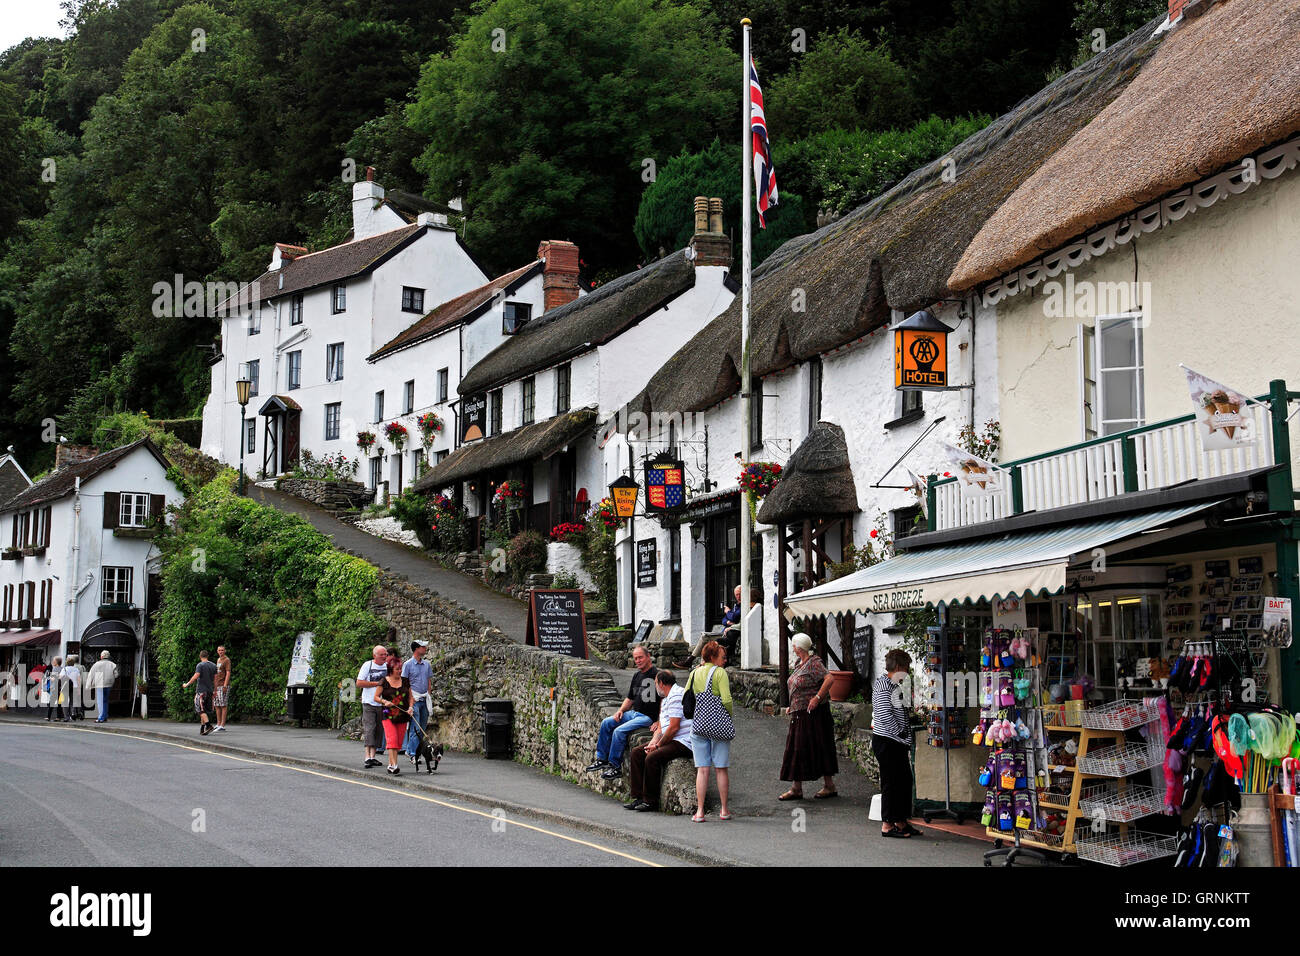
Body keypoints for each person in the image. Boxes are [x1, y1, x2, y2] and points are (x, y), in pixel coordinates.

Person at [778, 633, 839, 800]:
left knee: (819, 746)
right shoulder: (800, 663)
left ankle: (829, 785)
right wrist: (793, 703)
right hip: (800, 712)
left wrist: (817, 698)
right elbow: (797, 686)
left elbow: (829, 679)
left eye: (794, 645)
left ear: (799, 647)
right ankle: (797, 788)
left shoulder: (814, 663)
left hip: (814, 714)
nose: (793, 648)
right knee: (797, 749)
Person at [585, 645, 659, 779]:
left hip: (647, 717)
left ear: (648, 657)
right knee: (606, 722)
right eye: (635, 658)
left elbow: (665, 700)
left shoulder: (657, 675)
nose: (638, 660)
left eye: (640, 657)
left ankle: (615, 766)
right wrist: (620, 711)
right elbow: (630, 698)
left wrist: (659, 721)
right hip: (634, 713)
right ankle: (602, 759)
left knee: (619, 731)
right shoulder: (637, 675)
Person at [624, 670, 692, 812]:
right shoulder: (666, 698)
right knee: (637, 753)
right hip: (670, 739)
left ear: (661, 683)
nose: (655, 687)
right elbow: (661, 726)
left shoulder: (676, 695)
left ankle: (651, 801)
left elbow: (674, 727)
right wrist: (653, 743)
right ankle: (639, 797)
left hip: (683, 740)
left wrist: (658, 745)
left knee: (652, 758)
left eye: (655, 683)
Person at [872, 648, 919, 838]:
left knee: (903, 781)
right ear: (899, 667)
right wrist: (900, 732)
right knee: (891, 783)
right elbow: (884, 714)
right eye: (906, 667)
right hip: (888, 741)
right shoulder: (884, 685)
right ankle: (887, 824)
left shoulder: (894, 685)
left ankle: (901, 821)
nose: (907, 671)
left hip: (896, 741)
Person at [688, 640, 734, 822]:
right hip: (718, 725)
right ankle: (724, 810)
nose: (725, 660)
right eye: (722, 657)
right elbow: (727, 699)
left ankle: (700, 812)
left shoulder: (695, 673)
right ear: (713, 657)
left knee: (702, 769)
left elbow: (687, 697)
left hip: (699, 724)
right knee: (721, 768)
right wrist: (728, 717)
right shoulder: (720, 673)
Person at [374, 652, 412, 775]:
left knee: (399, 742)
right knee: (392, 739)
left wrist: (411, 707)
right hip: (387, 714)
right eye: (397, 669)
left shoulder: (406, 681)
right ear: (391, 670)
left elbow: (411, 697)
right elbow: (376, 697)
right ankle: (394, 765)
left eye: (400, 669)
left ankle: (391, 764)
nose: (400, 671)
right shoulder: (384, 681)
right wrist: (384, 701)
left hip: (402, 714)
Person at [356, 644, 390, 768]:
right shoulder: (367, 665)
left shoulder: (388, 666)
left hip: (382, 703)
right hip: (369, 702)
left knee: (379, 729)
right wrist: (377, 683)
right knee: (370, 728)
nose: (384, 657)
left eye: (385, 654)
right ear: (374, 655)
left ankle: (373, 756)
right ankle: (367, 757)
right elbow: (359, 683)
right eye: (381, 655)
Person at [401, 641, 432, 764]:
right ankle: (412, 752)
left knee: (423, 727)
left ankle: (414, 751)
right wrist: (410, 701)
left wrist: (429, 694)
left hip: (424, 699)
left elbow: (428, 680)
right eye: (423, 647)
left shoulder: (427, 664)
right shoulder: (408, 665)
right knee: (416, 728)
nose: (425, 648)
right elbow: (405, 682)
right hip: (414, 699)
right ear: (416, 649)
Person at [181, 650, 219, 735]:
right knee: (204, 710)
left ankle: (208, 725)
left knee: (199, 710)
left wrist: (187, 684)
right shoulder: (213, 665)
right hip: (210, 691)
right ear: (207, 656)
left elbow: (196, 676)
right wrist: (215, 690)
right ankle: (202, 728)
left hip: (201, 691)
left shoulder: (200, 665)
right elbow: (216, 679)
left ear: (200, 656)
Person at [87, 651, 119, 724]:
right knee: (105, 700)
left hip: (99, 682)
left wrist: (88, 685)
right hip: (109, 683)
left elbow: (91, 675)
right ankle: (104, 716)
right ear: (108, 656)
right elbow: (116, 675)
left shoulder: (96, 664)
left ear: (101, 656)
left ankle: (101, 717)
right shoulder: (113, 664)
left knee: (100, 700)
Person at [213, 645, 232, 732]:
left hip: (223, 685)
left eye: (222, 650)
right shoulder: (218, 660)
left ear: (225, 651)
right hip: (217, 685)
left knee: (223, 704)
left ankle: (222, 725)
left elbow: (228, 673)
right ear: (217, 651)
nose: (221, 652)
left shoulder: (226, 660)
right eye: (219, 650)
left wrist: (225, 685)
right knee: (217, 705)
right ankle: (218, 723)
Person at [63, 655, 83, 721]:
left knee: (65, 702)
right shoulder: (76, 669)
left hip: (65, 687)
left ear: (67, 663)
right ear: (73, 663)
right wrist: (79, 689)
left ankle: (66, 717)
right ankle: (73, 713)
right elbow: (79, 679)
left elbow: (60, 677)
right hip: (74, 687)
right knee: (72, 702)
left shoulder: (64, 669)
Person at [44, 657, 64, 722]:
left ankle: (48, 716)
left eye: (54, 660)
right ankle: (58, 717)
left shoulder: (55, 669)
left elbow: (53, 679)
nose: (53, 661)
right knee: (59, 703)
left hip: (55, 688)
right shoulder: (62, 668)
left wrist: (49, 677)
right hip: (61, 688)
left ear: (57, 662)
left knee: (51, 703)